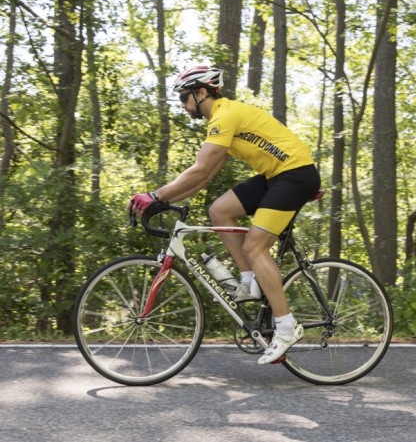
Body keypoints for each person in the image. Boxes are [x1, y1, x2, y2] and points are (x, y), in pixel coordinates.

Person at [127, 64, 321, 365]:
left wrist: (154, 195)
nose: (182, 104)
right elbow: (203, 179)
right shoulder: (222, 119)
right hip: (277, 176)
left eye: (184, 97)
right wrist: (162, 201)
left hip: (295, 176)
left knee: (255, 246)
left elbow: (200, 169)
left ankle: (286, 327)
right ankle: (248, 282)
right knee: (219, 210)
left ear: (202, 91)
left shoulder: (224, 116)